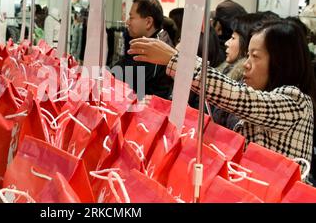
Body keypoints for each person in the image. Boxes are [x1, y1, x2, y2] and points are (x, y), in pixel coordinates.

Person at [129, 20, 316, 173]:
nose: (246, 65)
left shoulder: (296, 101)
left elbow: (234, 95)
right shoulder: (263, 93)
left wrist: (177, 59)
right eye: (247, 55)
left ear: (281, 61)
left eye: (255, 56)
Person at [114, 0, 174, 100]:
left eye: (131, 17)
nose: (127, 22)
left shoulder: (156, 47)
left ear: (148, 22)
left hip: (148, 111)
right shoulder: (146, 41)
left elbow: (133, 82)